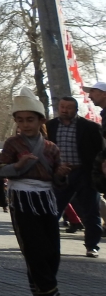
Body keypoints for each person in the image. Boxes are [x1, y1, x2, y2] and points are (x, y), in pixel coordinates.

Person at [0, 88, 71, 296]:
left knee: (52, 250)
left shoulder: (51, 147)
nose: (25, 125)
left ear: (40, 120)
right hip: (22, 198)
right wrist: (17, 167)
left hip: (46, 199)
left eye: (30, 120)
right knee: (34, 247)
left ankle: (40, 290)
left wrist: (62, 173)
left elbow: (58, 180)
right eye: (20, 120)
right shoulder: (12, 144)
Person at [45, 96, 105, 258]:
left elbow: (100, 152)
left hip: (84, 174)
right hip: (59, 174)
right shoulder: (49, 127)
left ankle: (92, 246)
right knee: (52, 210)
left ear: (76, 110)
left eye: (68, 107)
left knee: (91, 212)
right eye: (62, 107)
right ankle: (47, 243)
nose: (64, 110)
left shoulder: (90, 127)